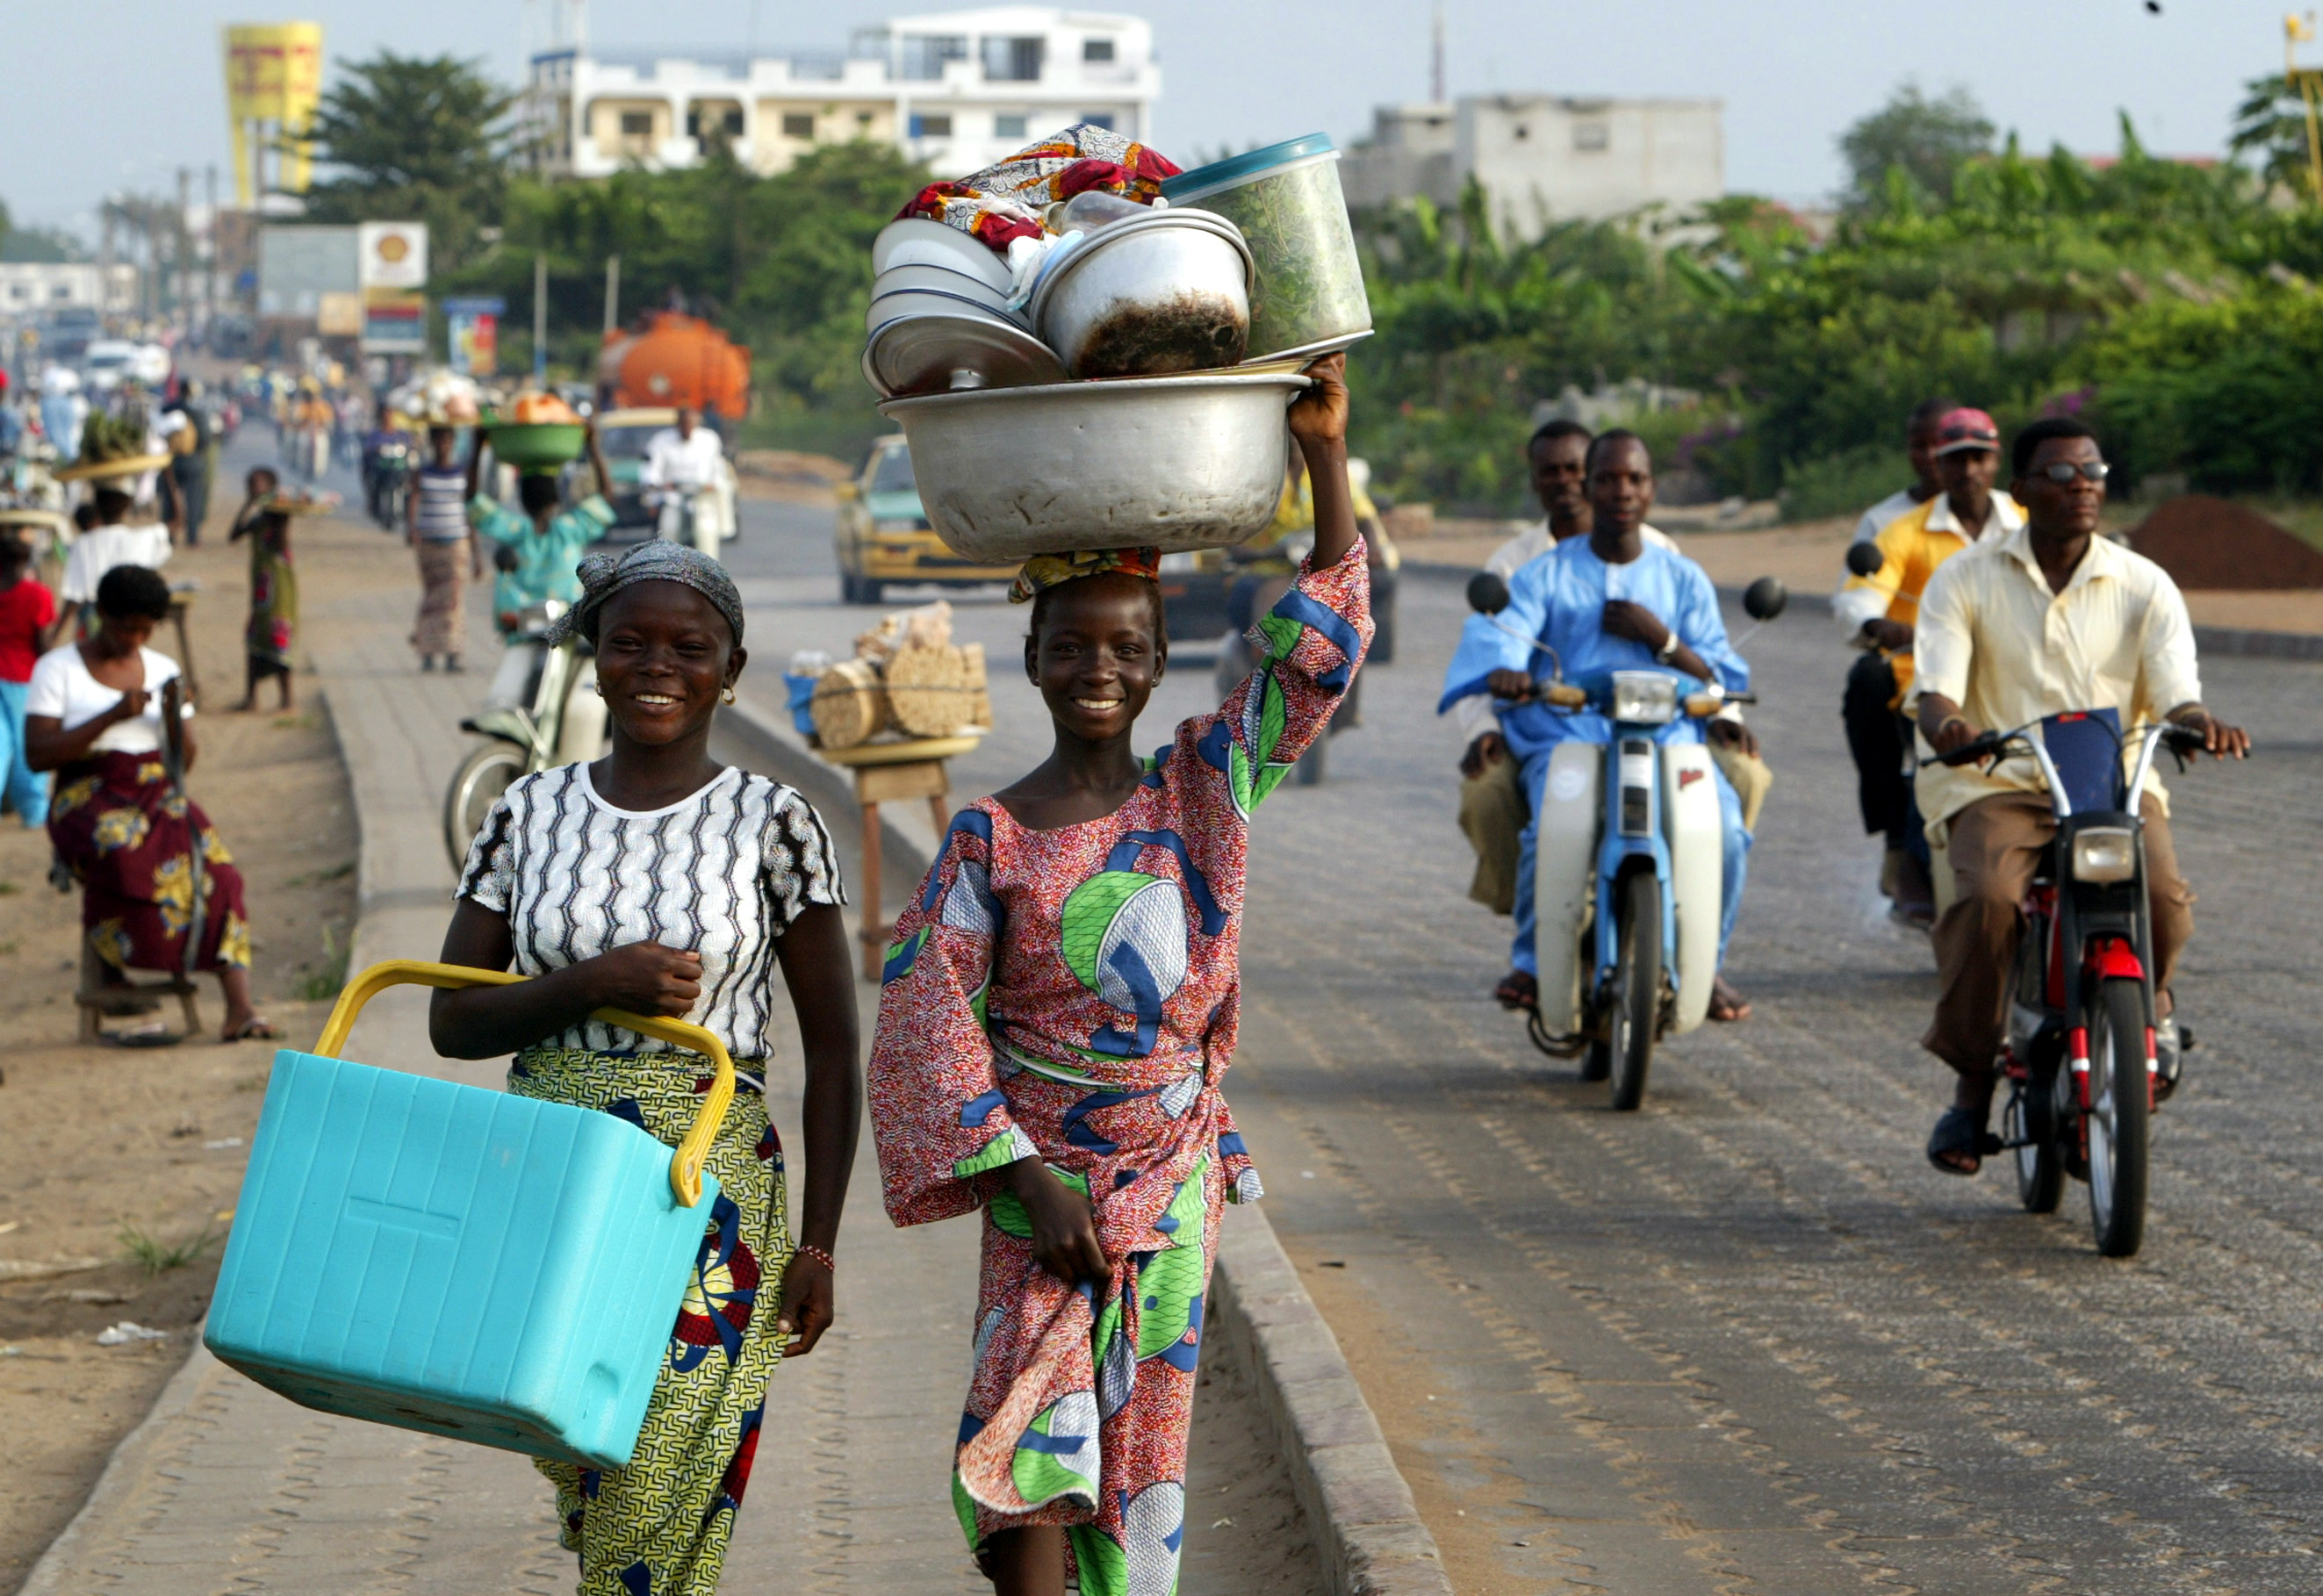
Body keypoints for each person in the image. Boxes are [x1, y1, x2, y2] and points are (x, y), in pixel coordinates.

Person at [867, 356, 1369, 1596]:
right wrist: (1025, 1177)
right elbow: (928, 1016)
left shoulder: (1203, 783)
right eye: (1073, 645)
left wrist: (1321, 452)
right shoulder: (988, 832)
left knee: (1138, 1463)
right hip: (1037, 1183)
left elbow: (1318, 657)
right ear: (1033, 658)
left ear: (1156, 664)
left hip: (1172, 1180)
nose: (1100, 666)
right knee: (1020, 1447)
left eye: (1126, 647)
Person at [432, 541, 859, 1594]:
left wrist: (822, 1246)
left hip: (704, 1187)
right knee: (585, 1458)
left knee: (660, 1478)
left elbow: (838, 1048)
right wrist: (589, 984)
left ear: (732, 667)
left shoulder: (777, 822)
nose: (657, 667)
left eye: (689, 647)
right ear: (592, 658)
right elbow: (453, 1019)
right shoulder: (526, 814)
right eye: (629, 643)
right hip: (553, 1172)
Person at [1911, 417, 2247, 1175]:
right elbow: (1934, 687)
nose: (2083, 486)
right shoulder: (1963, 578)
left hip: (2114, 784)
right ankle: (1970, 1088)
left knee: (2163, 897)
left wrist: (2200, 726)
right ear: (2022, 492)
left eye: (2093, 471)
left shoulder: (2144, 583)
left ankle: (2146, 1016)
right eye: (2062, 475)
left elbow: (2176, 695)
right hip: (1998, 780)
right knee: (1990, 901)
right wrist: (1951, 723)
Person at [1441, 430, 1757, 1023]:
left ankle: (1704, 965)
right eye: (1608, 479)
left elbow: (1719, 670)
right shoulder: (1541, 574)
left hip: (1669, 738)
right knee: (1548, 833)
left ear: (1652, 490)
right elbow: (1504, 632)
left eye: (1635, 479)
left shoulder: (1682, 577)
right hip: (1571, 734)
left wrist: (1659, 637)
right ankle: (1535, 963)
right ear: (1589, 486)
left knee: (1729, 833)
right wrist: (1505, 671)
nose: (1622, 491)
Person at [25, 564, 273, 1040]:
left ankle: (238, 1004)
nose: (135, 639)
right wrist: (112, 714)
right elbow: (38, 755)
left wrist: (174, 718)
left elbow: (187, 759)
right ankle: (115, 968)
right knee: (123, 852)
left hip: (155, 788)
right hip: (85, 793)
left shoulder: (161, 669)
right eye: (125, 627)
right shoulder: (57, 668)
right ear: (101, 616)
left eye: (145, 629)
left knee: (216, 867)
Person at [1836, 406, 2025, 926]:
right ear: (1936, 467)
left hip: (2018, 669)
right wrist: (1882, 627)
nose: (1969, 471)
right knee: (1888, 698)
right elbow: (1858, 599)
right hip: (1926, 674)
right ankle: (1905, 848)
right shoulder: (1900, 529)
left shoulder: (2027, 522)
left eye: (1979, 458)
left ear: (1997, 461)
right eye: (1956, 460)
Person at [470, 421, 619, 708]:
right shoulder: (568, 527)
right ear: (557, 499)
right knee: (507, 699)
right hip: (537, 630)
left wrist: (478, 448)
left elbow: (474, 503)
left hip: (563, 632)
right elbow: (607, 498)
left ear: (523, 501)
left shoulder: (522, 529)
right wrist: (592, 447)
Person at [54, 482, 171, 647]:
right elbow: (176, 522)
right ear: (127, 504)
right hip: (129, 614)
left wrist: (56, 634)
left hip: (95, 617)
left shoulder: (84, 543)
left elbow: (75, 596)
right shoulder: (142, 538)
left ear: (97, 505)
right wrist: (169, 479)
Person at [407, 425, 479, 672]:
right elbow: (414, 500)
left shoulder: (461, 473)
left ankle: (452, 652)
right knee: (432, 596)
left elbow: (469, 511)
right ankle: (427, 652)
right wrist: (412, 528)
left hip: (457, 542)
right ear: (432, 442)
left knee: (453, 599)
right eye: (439, 440)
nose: (443, 445)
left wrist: (477, 554)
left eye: (447, 440)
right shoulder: (422, 473)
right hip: (429, 543)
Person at [227, 469, 298, 712]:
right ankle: (251, 697)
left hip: (279, 589)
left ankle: (287, 699)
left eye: (258, 485)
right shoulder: (257, 520)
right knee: (255, 641)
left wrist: (276, 511)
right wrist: (248, 505)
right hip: (260, 590)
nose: (254, 489)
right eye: (251, 485)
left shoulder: (278, 517)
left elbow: (281, 543)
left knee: (278, 639)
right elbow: (234, 535)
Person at [0, 534, 56, 826]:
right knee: (26, 748)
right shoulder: (37, 595)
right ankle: (33, 811)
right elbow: (42, 644)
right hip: (23, 678)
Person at [640, 407, 730, 557]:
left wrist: (713, 484)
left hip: (701, 498)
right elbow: (651, 470)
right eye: (684, 425)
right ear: (678, 425)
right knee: (669, 529)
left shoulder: (709, 440)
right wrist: (657, 485)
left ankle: (708, 568)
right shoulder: (662, 441)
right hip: (673, 498)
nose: (687, 429)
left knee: (706, 530)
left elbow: (718, 468)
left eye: (690, 425)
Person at [169, 380, 215, 546]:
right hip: (194, 461)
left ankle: (170, 536)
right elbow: (204, 439)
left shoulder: (169, 408)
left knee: (170, 499)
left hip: (171, 461)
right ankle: (192, 536)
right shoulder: (199, 413)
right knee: (194, 500)